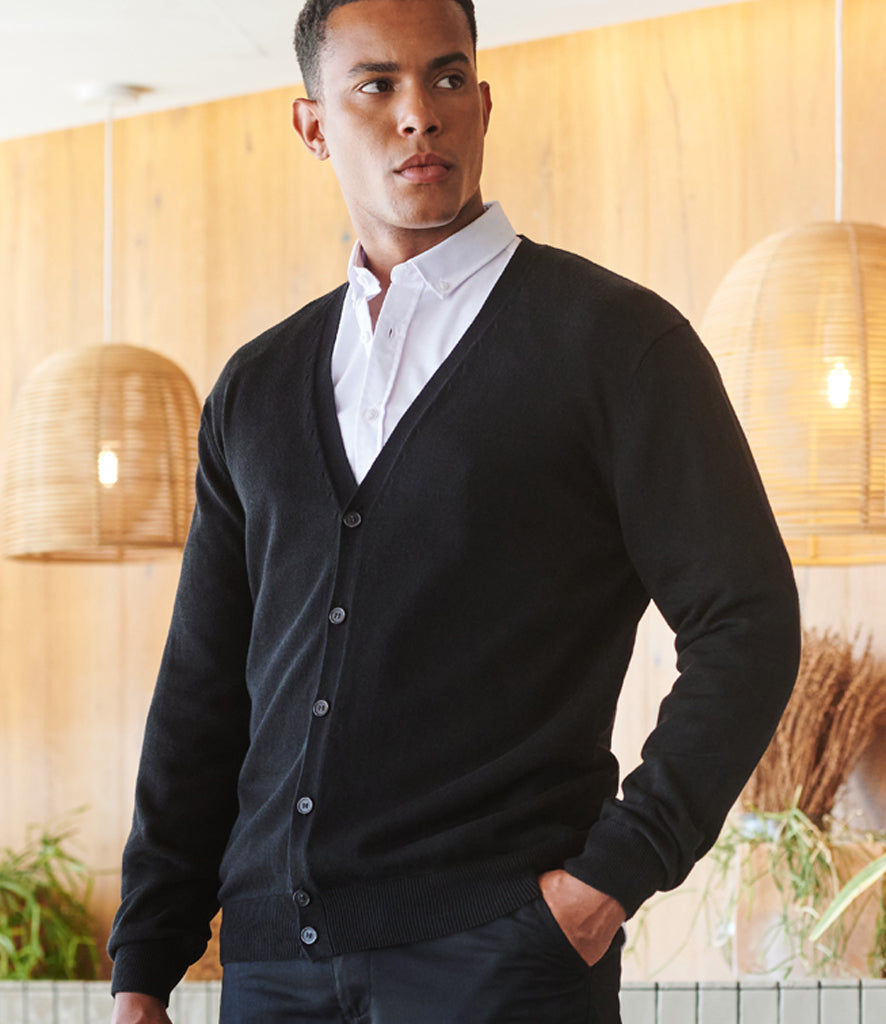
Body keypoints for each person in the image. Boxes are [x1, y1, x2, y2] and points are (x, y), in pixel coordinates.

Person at [108, 0, 800, 1021]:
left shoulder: (614, 345)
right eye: (375, 85)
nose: (418, 114)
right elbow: (201, 694)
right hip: (269, 971)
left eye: (445, 78)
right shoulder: (254, 389)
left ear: (482, 104)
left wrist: (609, 879)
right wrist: (144, 964)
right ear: (312, 125)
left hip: (499, 958)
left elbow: (747, 621)